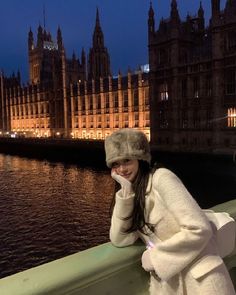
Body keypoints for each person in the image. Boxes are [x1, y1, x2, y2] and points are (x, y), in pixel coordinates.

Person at [104, 128, 235, 295]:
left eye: (127, 160)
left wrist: (155, 258)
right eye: (115, 164)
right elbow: (119, 239)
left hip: (202, 281)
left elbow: (199, 228)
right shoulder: (133, 196)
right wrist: (125, 193)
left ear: (139, 158)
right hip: (171, 285)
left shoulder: (162, 178)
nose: (122, 169)